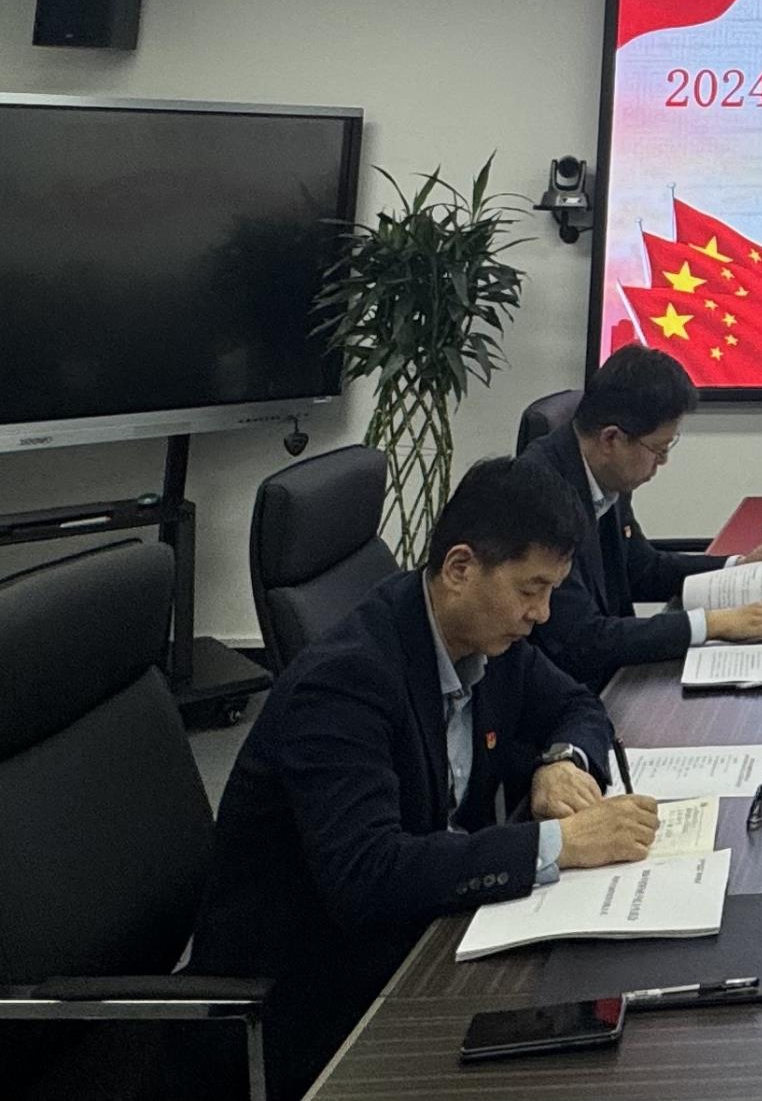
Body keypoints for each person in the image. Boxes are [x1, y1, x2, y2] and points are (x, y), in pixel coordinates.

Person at [189, 457, 663, 1101]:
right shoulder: (344, 683)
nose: (543, 614)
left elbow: (578, 705)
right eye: (531, 589)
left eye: (552, 591)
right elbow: (369, 874)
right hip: (314, 1000)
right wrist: (561, 844)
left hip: (427, 935)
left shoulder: (486, 640)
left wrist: (562, 762)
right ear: (460, 568)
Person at [521, 345, 762, 689]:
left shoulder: (603, 473)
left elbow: (642, 569)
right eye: (658, 449)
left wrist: (737, 568)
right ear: (612, 438)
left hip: (614, 678)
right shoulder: (538, 497)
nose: (663, 462)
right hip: (572, 692)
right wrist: (712, 624)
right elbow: (582, 639)